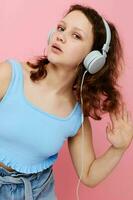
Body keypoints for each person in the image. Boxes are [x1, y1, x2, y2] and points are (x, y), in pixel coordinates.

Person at [0, 3, 133, 200]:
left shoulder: (76, 115)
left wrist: (119, 148)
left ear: (92, 59)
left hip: (37, 191)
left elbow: (88, 175)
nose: (60, 36)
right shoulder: (9, 74)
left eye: (76, 35)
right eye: (61, 28)